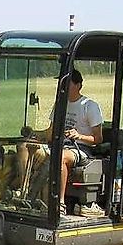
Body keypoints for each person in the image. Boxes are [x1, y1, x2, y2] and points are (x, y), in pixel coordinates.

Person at [18, 69, 104, 216]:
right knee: (24, 146)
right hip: (58, 145)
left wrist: (79, 136)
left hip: (81, 149)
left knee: (60, 157)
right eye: (61, 83)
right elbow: (50, 133)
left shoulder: (89, 106)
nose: (62, 86)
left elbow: (98, 139)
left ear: (78, 85)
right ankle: (23, 193)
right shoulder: (60, 104)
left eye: (66, 83)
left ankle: (60, 203)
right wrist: (33, 134)